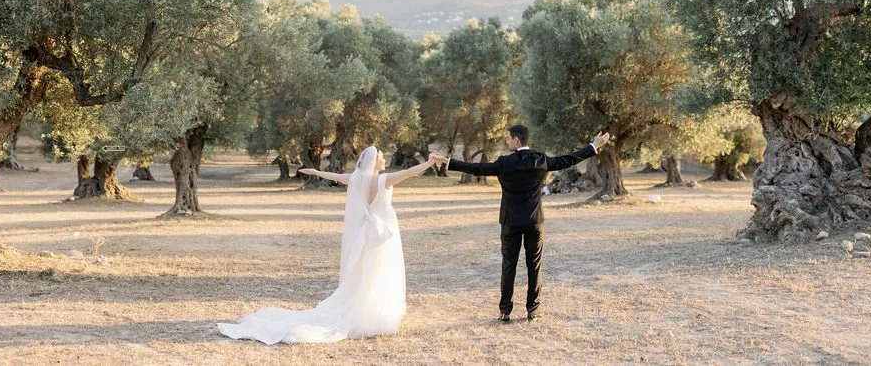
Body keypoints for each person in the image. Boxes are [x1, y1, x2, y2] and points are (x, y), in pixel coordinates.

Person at [217, 147, 440, 344]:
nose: (384, 158)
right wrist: (430, 162)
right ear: (375, 162)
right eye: (381, 156)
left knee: (364, 273)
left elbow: (334, 175)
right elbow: (411, 172)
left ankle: (366, 310)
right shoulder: (385, 180)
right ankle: (376, 314)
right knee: (380, 273)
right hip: (383, 236)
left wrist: (315, 172)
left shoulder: (355, 179)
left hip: (367, 235)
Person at [432, 125, 610, 321]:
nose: (506, 141)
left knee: (509, 265)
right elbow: (567, 159)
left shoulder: (504, 163)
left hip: (510, 222)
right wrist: (594, 146)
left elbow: (477, 168)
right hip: (534, 221)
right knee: (534, 265)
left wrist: (448, 162)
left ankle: (505, 311)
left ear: (517, 140)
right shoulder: (539, 159)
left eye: (508, 138)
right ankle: (532, 310)